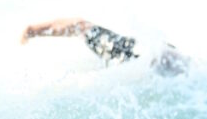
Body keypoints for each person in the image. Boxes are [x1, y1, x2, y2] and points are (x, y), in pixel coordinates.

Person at [21, 17, 189, 76]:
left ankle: (31, 31)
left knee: (83, 26)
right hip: (142, 55)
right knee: (83, 27)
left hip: (144, 57)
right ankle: (31, 31)